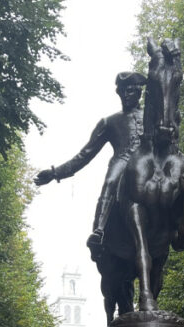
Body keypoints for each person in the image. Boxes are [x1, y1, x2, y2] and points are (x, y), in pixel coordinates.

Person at [34, 71, 147, 257]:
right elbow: (85, 155)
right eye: (123, 91)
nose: (126, 95)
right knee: (110, 182)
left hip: (147, 162)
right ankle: (99, 231)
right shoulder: (109, 122)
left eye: (131, 91)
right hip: (123, 160)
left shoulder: (150, 117)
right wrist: (55, 173)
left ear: (138, 93)